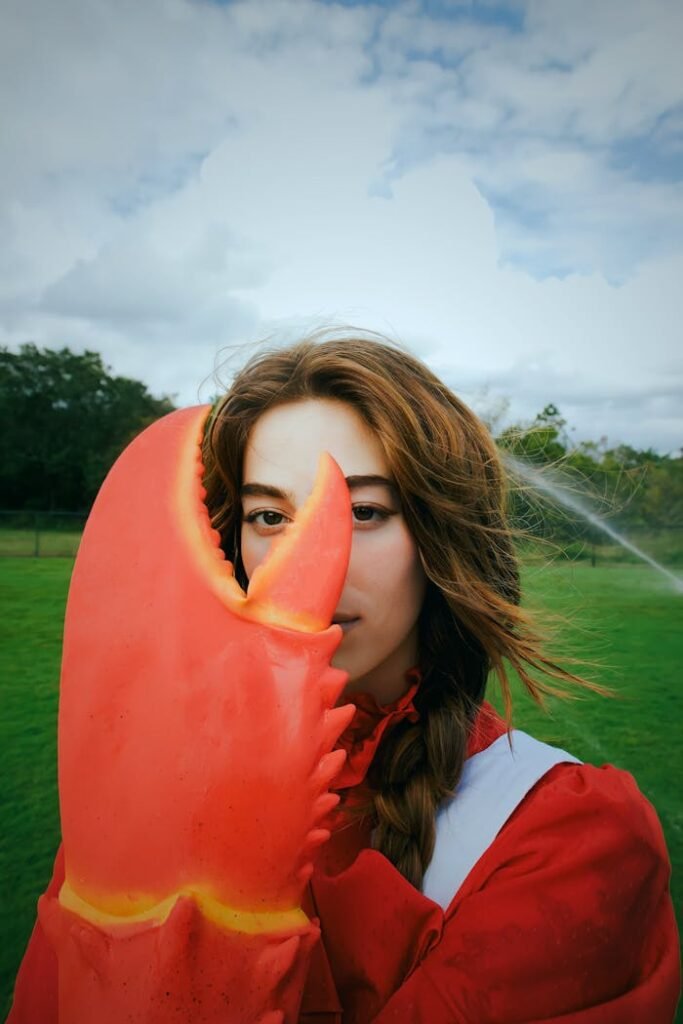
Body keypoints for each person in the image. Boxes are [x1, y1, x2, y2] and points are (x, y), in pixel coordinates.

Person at [8, 331, 680, 1022]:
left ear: (441, 538)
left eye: (363, 512)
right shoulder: (145, 794)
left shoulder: (569, 836)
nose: (314, 561)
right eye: (268, 516)